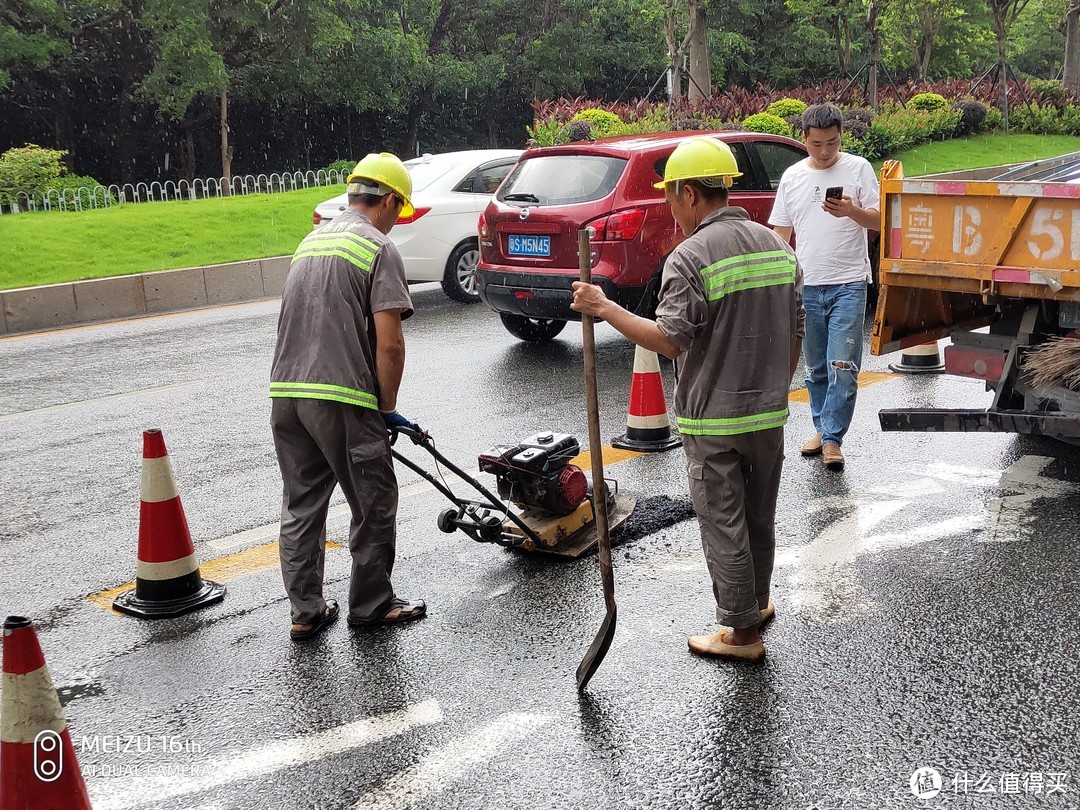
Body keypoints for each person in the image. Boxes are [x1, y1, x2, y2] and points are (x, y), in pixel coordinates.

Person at [571, 137, 804, 663]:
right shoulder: (776, 246)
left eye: (672, 197)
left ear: (691, 195)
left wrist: (604, 307)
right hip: (768, 415)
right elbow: (796, 331)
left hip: (713, 420)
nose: (672, 209)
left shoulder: (690, 256)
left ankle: (742, 633)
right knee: (758, 516)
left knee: (724, 521)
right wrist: (772, 388)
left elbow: (669, 339)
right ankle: (755, 603)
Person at [269, 151, 427, 641]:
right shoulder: (378, 248)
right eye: (400, 212)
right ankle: (373, 604)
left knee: (302, 504)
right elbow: (391, 343)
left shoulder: (312, 240)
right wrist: (384, 410)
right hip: (340, 398)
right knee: (373, 500)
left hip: (286, 393)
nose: (397, 223)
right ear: (391, 202)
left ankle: (306, 611)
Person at [769, 102, 880, 471]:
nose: (825, 151)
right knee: (816, 369)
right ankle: (821, 427)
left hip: (849, 282)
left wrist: (851, 211)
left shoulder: (859, 169)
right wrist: (774, 280)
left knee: (843, 367)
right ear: (804, 139)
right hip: (807, 286)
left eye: (832, 143)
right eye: (817, 144)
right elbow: (781, 234)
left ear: (840, 136)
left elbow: (881, 221)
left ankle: (833, 438)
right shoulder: (792, 177)